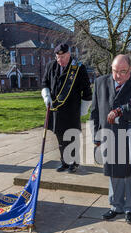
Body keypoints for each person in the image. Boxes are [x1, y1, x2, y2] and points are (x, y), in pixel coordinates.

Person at [90, 54, 131, 224]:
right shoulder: (100, 82)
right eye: (114, 71)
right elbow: (95, 112)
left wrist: (121, 111)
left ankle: (130, 208)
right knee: (114, 174)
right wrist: (96, 136)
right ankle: (115, 206)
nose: (117, 76)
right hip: (109, 136)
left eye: (122, 72)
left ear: (130, 70)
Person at [41, 43, 92, 173]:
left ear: (69, 54)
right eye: (58, 57)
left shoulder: (78, 68)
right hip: (56, 111)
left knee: (71, 138)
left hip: (72, 110)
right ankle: (64, 162)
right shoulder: (51, 66)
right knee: (59, 138)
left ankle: (73, 163)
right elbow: (45, 83)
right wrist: (46, 96)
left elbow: (86, 90)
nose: (60, 60)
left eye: (63, 57)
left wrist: (83, 109)